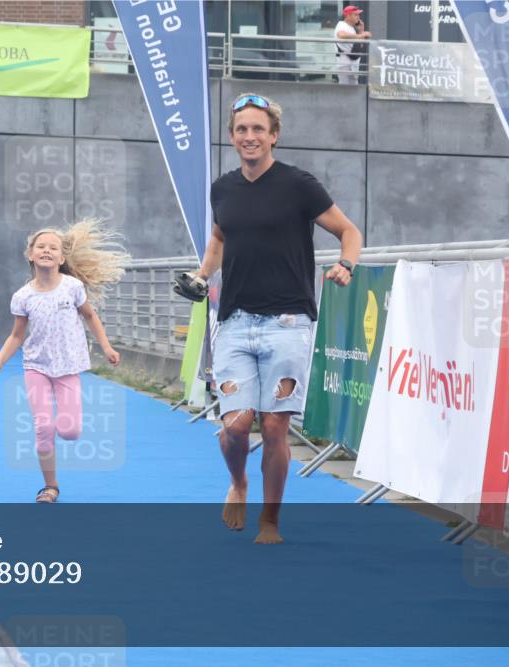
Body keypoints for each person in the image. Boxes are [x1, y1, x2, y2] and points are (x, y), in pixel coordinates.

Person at [185, 93, 362, 544]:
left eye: (258, 129)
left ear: (274, 136)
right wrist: (202, 276)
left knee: (274, 424)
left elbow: (348, 230)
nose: (249, 136)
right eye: (241, 129)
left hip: (289, 321)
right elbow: (219, 238)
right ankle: (239, 482)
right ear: (231, 137)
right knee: (236, 425)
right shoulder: (222, 188)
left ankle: (270, 521)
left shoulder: (298, 185)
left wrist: (346, 263)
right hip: (235, 321)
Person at [0, 221, 127, 503]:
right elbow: (16, 335)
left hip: (68, 367)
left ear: (62, 258)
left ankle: (60, 443)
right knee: (43, 426)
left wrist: (107, 346)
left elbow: (90, 316)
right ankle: (50, 486)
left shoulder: (72, 287)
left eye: (53, 248)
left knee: (70, 431)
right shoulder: (23, 296)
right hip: (36, 366)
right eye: (41, 247)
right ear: (30, 254)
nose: (47, 251)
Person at [334, 5, 370, 85]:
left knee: (354, 85)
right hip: (344, 62)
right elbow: (341, 35)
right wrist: (360, 35)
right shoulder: (341, 25)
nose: (358, 17)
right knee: (344, 86)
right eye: (356, 15)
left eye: (358, 15)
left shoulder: (353, 28)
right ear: (348, 16)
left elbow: (360, 46)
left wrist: (361, 31)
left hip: (354, 61)